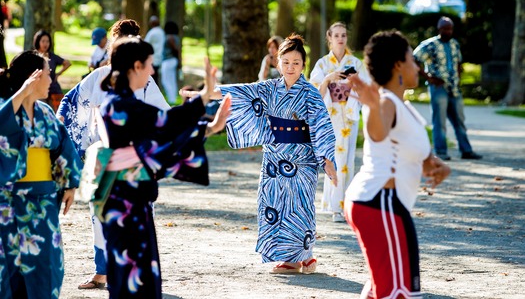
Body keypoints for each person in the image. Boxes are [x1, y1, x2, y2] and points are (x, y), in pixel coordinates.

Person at [97, 36, 231, 298]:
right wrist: (203, 97)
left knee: (139, 278)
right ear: (136, 66)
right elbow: (164, 124)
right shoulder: (119, 106)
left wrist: (211, 127)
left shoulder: (120, 104)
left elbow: (158, 142)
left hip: (129, 199)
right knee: (133, 281)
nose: (152, 70)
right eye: (149, 64)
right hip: (124, 202)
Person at [198, 33, 337, 274]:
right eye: (286, 62)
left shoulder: (311, 94)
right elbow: (241, 92)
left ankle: (299, 258)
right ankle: (302, 257)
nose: (291, 67)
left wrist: (327, 160)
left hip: (301, 160)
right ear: (278, 63)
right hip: (274, 159)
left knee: (298, 205)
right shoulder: (270, 88)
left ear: (303, 64)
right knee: (274, 204)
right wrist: (205, 94)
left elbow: (322, 127)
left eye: (296, 63)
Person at [56, 19, 169, 291]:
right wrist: (65, 141)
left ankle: (133, 276)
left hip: (134, 162)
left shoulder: (145, 80)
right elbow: (70, 108)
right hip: (104, 158)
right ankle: (102, 271)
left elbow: (164, 116)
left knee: (137, 218)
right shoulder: (98, 77)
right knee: (101, 218)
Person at [344, 30, 451, 299]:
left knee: (385, 290)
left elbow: (412, 154)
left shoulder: (406, 108)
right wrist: (371, 106)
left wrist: (435, 165)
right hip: (380, 203)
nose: (418, 66)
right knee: (399, 293)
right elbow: (378, 133)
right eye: (412, 60)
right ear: (398, 66)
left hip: (381, 204)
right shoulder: (385, 102)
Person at [0, 51, 82, 298]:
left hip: (43, 203)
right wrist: (21, 93)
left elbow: (63, 147)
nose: (51, 79)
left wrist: (70, 184)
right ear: (33, 77)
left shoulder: (46, 112)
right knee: (7, 270)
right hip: (8, 204)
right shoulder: (5, 106)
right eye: (48, 73)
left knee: (47, 268)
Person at [310, 22, 371, 223]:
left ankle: (345, 206)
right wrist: (328, 78)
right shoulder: (322, 64)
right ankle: (334, 205)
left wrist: (353, 82)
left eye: (343, 35)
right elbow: (315, 93)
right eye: (336, 35)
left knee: (348, 160)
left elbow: (366, 88)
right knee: (333, 159)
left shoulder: (355, 62)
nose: (340, 39)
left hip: (349, 116)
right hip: (330, 117)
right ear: (329, 37)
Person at [413, 16, 482, 161]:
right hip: (439, 87)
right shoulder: (429, 45)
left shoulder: (454, 44)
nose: (448, 31)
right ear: (439, 29)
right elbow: (414, 60)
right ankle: (441, 151)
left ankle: (466, 150)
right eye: (445, 29)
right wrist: (429, 78)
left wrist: (458, 75)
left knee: (460, 121)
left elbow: (458, 62)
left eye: (450, 29)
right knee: (440, 121)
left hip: (454, 88)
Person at [33, 30, 72, 112]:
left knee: (57, 112)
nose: (45, 44)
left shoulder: (52, 56)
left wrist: (58, 74)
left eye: (47, 41)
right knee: (40, 111)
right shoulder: (34, 56)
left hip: (54, 89)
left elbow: (67, 63)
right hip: (38, 89)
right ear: (38, 41)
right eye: (43, 41)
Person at [161, 21, 181, 103]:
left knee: (165, 80)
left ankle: (171, 99)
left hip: (168, 60)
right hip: (173, 61)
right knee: (172, 80)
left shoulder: (170, 37)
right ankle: (173, 98)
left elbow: (175, 49)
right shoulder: (176, 37)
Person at [144, 15, 165, 84]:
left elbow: (145, 44)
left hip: (153, 59)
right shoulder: (162, 32)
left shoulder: (152, 32)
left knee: (152, 79)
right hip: (160, 58)